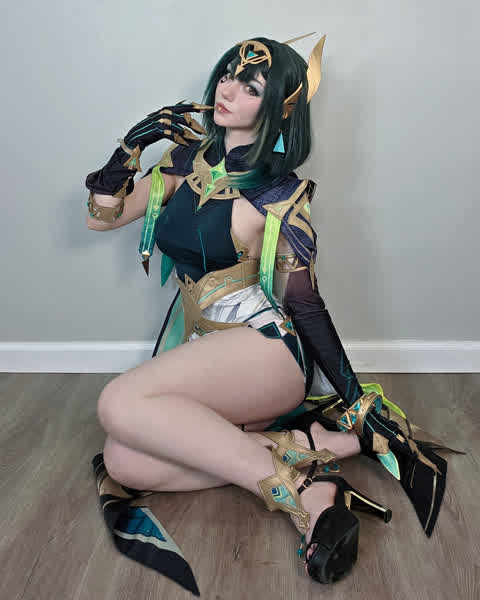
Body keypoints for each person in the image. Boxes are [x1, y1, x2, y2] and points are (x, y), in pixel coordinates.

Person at [85, 34, 451, 594]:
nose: (228, 89)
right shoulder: (182, 162)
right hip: (203, 353)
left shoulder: (280, 196)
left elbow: (305, 304)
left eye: (251, 87)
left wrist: (357, 402)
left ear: (280, 108)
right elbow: (102, 217)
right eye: (228, 75)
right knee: (124, 463)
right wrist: (130, 148)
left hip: (265, 353)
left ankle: (302, 499)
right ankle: (307, 451)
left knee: (117, 403)